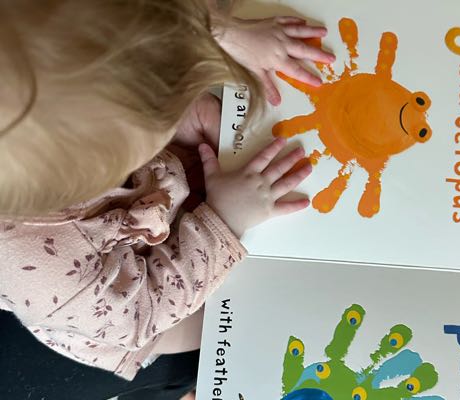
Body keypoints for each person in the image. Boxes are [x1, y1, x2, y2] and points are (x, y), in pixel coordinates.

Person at [0, 0, 335, 398]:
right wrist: (225, 220)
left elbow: (142, 17)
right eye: (151, 115)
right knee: (228, 316)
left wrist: (220, 34)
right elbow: (148, 310)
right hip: (125, 302)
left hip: (139, 185)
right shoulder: (47, 276)